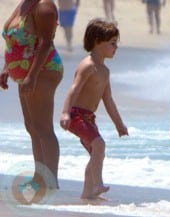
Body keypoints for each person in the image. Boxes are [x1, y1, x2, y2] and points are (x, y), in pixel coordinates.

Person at [60, 18, 128, 199]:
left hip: (89, 118)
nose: (116, 48)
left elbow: (108, 100)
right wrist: (65, 112)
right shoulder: (88, 65)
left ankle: (87, 193)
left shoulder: (104, 71)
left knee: (97, 153)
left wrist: (119, 124)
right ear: (98, 42)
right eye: (112, 44)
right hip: (76, 116)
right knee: (99, 145)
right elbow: (74, 89)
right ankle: (97, 184)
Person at [0, 0, 63, 188]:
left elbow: (45, 43)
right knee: (32, 127)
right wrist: (7, 68)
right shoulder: (23, 4)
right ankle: (39, 177)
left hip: (43, 71)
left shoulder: (44, 6)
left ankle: (51, 182)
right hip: (26, 73)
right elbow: (15, 42)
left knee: (43, 128)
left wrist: (32, 76)